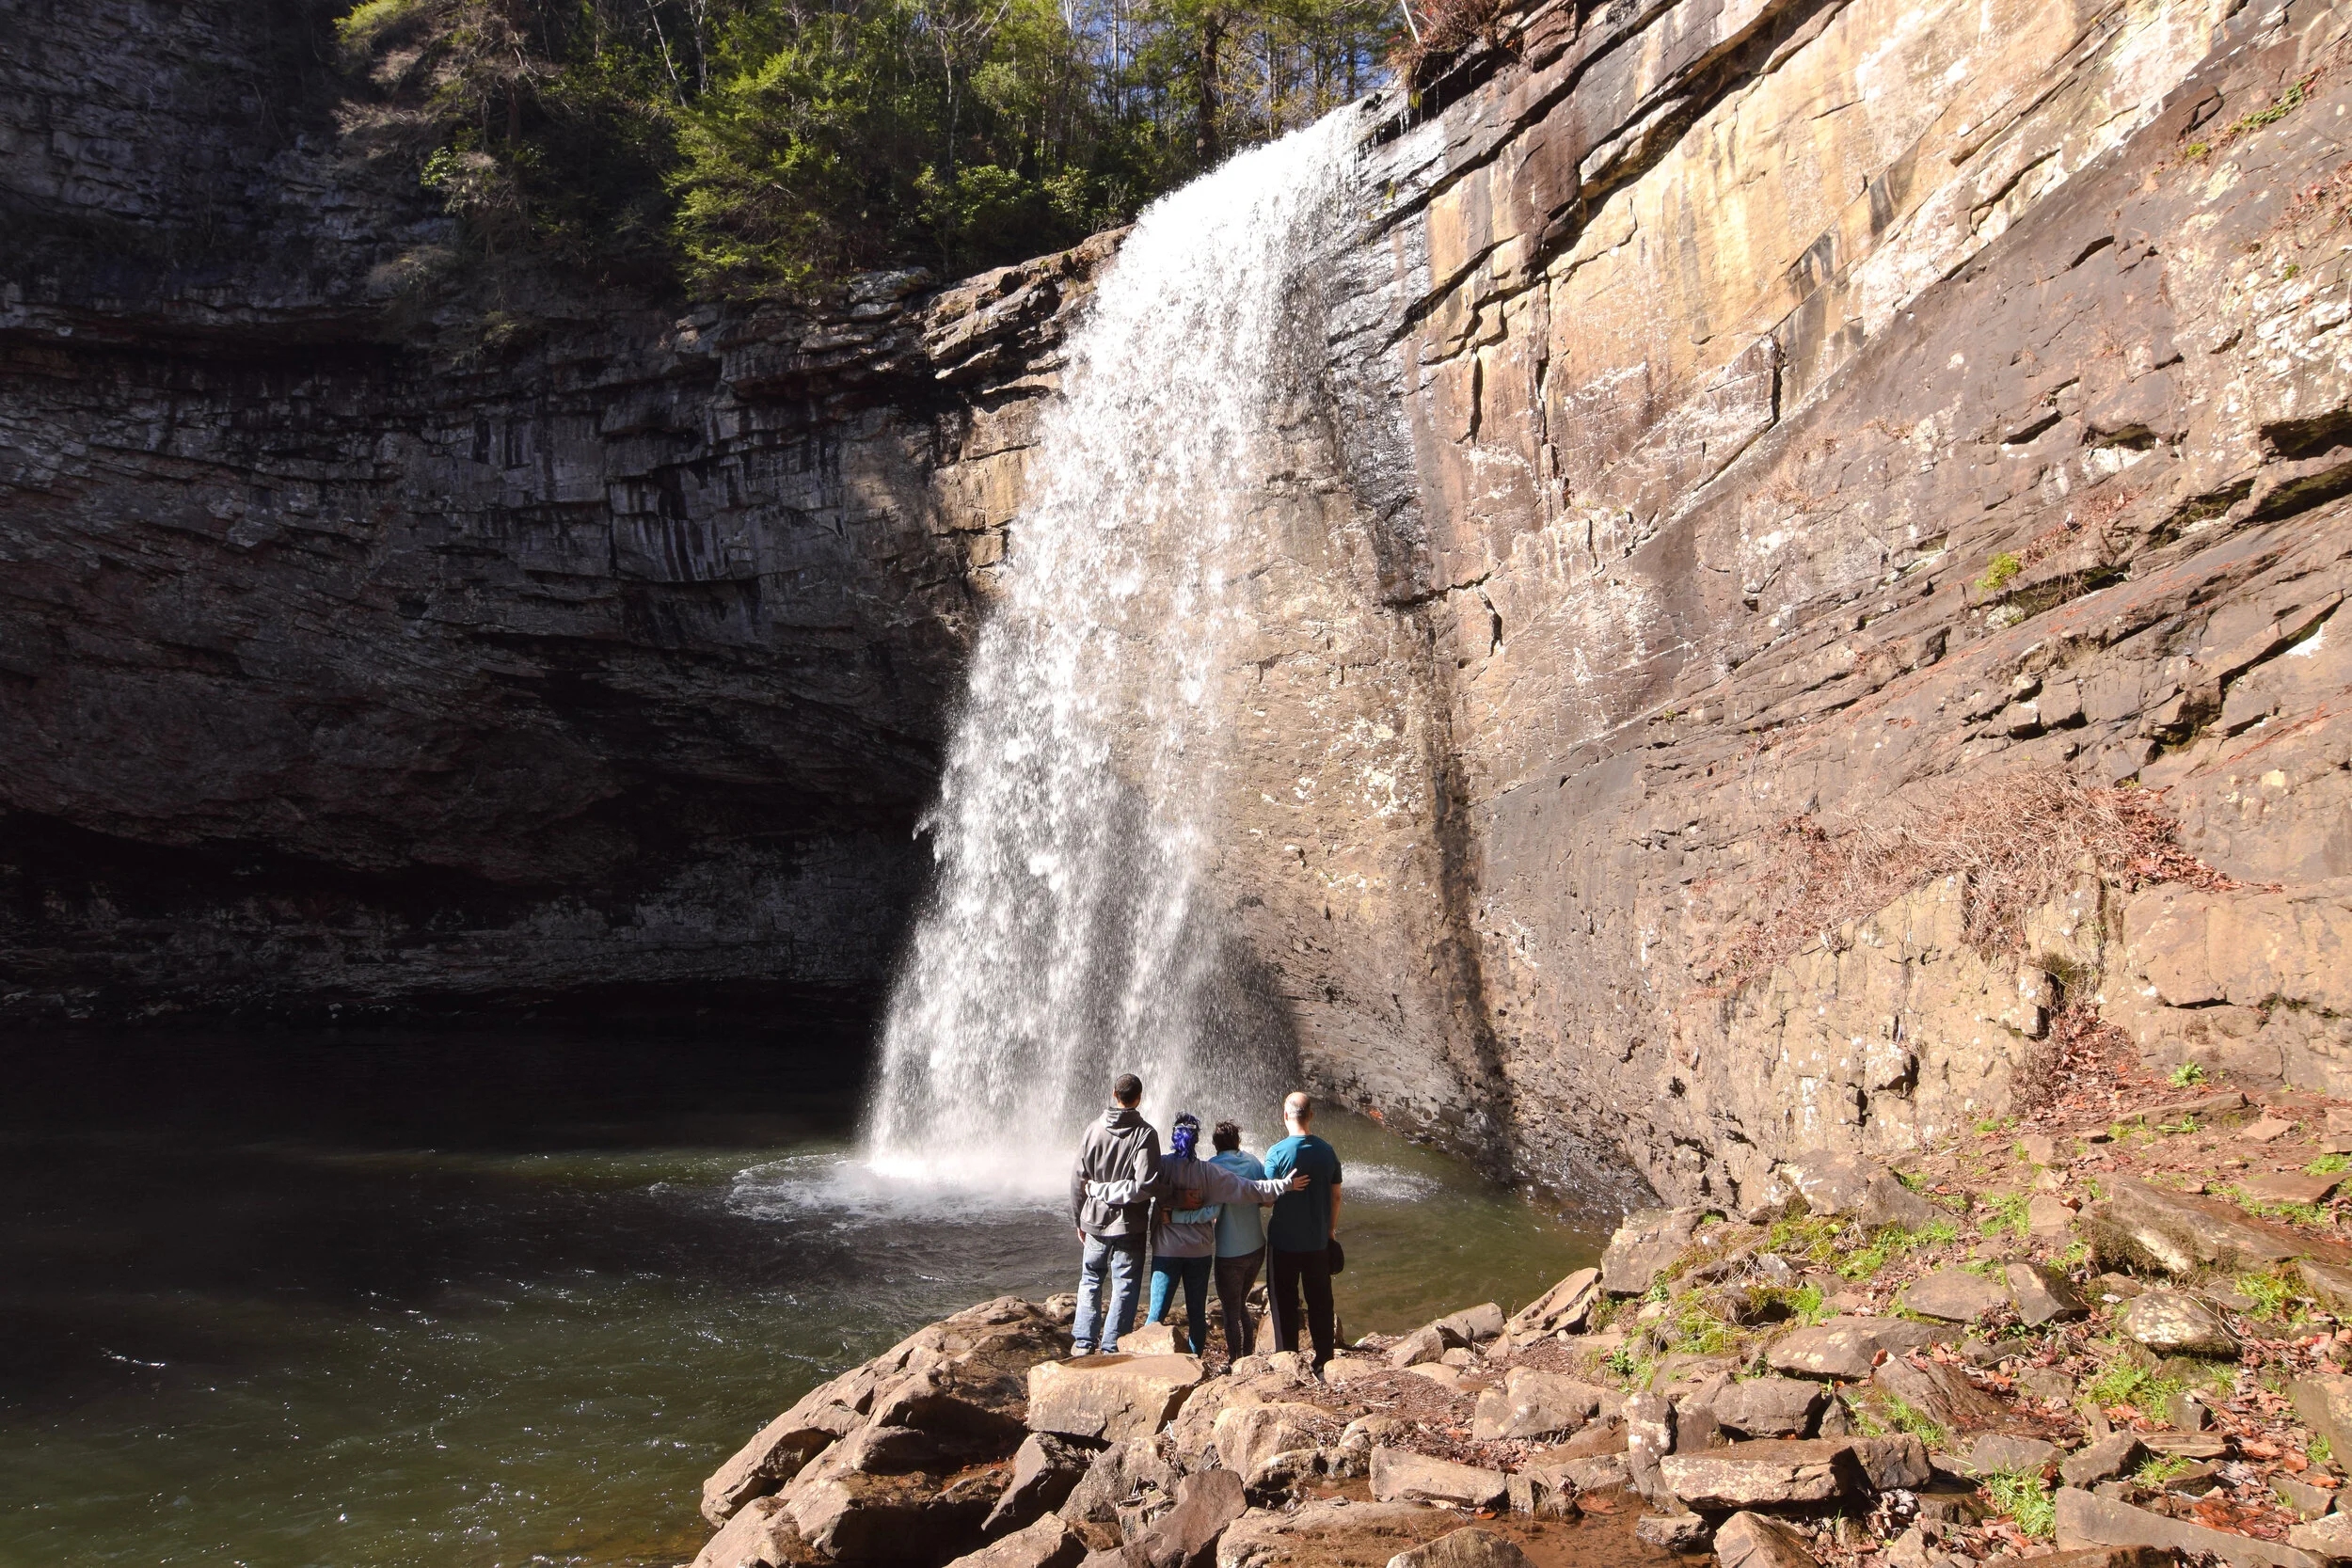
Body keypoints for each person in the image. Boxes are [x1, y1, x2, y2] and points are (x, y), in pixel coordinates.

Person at [1084, 1111, 1301, 1355]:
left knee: (1156, 1316)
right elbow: (1250, 1189)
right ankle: (1194, 1360)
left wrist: (1095, 1189)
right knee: (1197, 1314)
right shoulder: (1208, 1172)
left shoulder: (1161, 1166)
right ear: (1197, 1140)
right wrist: (1285, 1185)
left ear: (1173, 1137)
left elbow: (1133, 1188)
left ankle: (1146, 1361)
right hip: (1199, 1252)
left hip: (1167, 1251)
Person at [1068, 1072, 1161, 1354]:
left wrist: (1078, 1218)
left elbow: (1076, 1179)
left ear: (1113, 1094)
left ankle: (1083, 1342)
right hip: (1129, 1224)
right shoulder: (1145, 1134)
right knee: (1125, 1283)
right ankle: (1111, 1347)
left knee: (1091, 1279)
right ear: (1139, 1098)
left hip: (1094, 1219)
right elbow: (1146, 1185)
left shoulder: (1093, 1129)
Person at [1262, 1090, 1343, 1373]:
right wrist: (1330, 1230)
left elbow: (1268, 1198)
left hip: (1283, 1241)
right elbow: (1336, 1196)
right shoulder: (1327, 1151)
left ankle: (1287, 1359)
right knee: (1320, 1300)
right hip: (1317, 1240)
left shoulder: (1276, 1152)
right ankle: (1324, 1358)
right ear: (1311, 1116)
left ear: (1285, 1116)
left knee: (1283, 1302)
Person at [1207, 1120, 1270, 1358]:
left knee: (1231, 1310)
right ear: (1238, 1141)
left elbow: (1209, 1207)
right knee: (1240, 1303)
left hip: (1229, 1252)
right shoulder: (1253, 1161)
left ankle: (1237, 1362)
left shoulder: (1212, 1167)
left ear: (1215, 1144)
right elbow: (1266, 1198)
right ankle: (1248, 1356)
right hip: (1256, 1246)